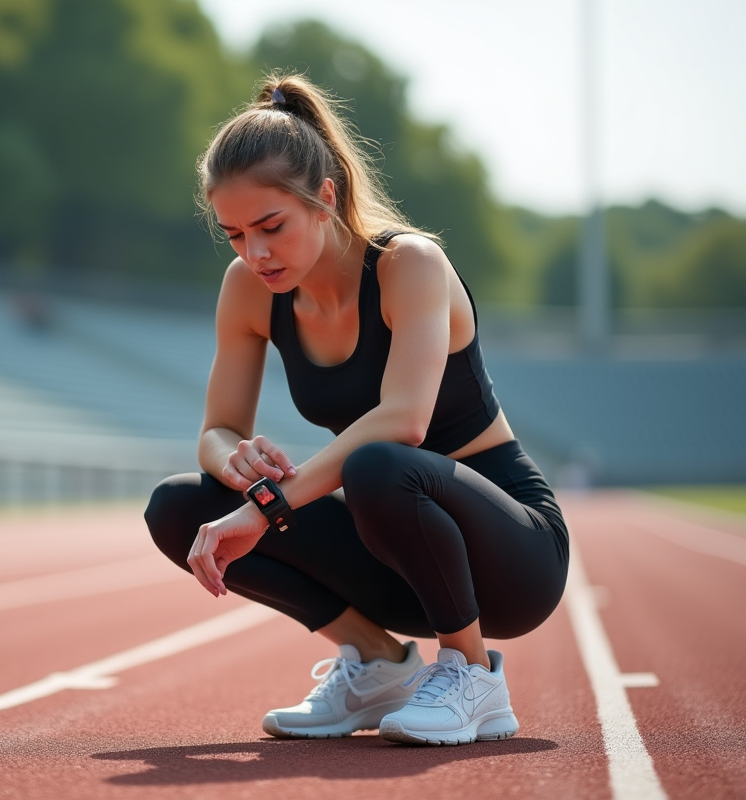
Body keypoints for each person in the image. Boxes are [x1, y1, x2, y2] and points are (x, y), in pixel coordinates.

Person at [144, 74, 569, 746]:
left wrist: (265, 508)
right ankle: (376, 661)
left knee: (378, 464)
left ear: (325, 198)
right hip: (394, 556)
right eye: (234, 235)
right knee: (178, 509)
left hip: (510, 560)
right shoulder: (249, 291)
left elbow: (405, 422)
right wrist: (237, 460)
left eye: (270, 227)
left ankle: (472, 671)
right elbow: (215, 431)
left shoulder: (410, 266)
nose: (254, 253)